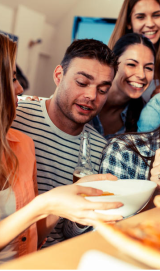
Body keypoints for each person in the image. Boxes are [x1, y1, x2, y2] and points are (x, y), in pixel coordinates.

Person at [0, 24, 123, 269]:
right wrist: (42, 205)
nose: (20, 89)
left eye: (103, 90)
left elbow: (31, 237)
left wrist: (66, 200)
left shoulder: (21, 145)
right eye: (13, 78)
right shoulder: (19, 115)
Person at [11, 38, 121, 247]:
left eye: (102, 90)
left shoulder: (101, 150)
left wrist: (86, 209)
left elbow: (71, 233)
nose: (91, 95)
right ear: (58, 75)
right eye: (82, 83)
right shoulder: (16, 114)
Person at [108, 0, 160, 100]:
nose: (150, 23)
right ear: (128, 22)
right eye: (141, 17)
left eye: (156, 15)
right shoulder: (110, 58)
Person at [90, 33, 155, 139]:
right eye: (131, 64)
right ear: (114, 64)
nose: (141, 75)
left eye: (148, 68)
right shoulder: (87, 98)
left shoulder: (145, 118)